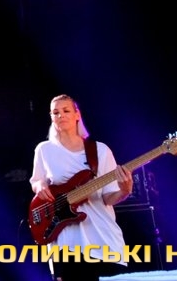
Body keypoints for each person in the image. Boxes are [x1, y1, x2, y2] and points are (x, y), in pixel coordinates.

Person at [29, 94, 134, 281]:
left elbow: (108, 197)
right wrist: (40, 185)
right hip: (65, 238)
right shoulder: (44, 150)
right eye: (55, 112)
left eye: (66, 110)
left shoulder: (100, 150)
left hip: (100, 235)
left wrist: (124, 190)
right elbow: (36, 181)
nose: (61, 115)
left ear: (77, 114)